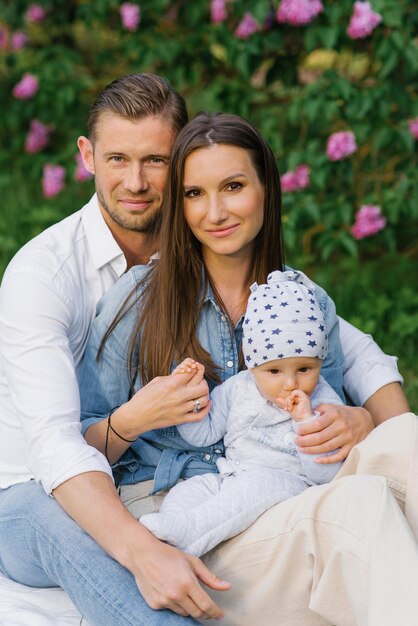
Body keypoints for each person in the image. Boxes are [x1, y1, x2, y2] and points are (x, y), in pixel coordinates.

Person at [79, 111, 418, 625]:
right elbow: (71, 454)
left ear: (266, 190)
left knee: (408, 439)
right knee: (360, 509)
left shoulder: (307, 300)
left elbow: (332, 412)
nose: (215, 211)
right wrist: (134, 418)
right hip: (191, 520)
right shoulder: (137, 304)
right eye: (194, 193)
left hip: (293, 487)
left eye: (233, 186)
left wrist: (359, 422)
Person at [0, 74, 232, 626]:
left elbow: (336, 337)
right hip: (26, 495)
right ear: (87, 156)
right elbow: (54, 445)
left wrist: (363, 418)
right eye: (118, 159)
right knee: (95, 548)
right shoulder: (42, 274)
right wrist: (143, 552)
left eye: (155, 160)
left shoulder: (206, 242)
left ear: (180, 159)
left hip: (157, 479)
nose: (136, 181)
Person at [140, 269, 344, 557]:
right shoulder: (239, 388)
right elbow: (203, 435)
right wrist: (191, 395)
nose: (290, 383)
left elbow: (327, 473)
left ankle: (190, 535)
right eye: (274, 371)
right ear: (253, 365)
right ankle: (175, 535)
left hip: (288, 486)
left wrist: (305, 422)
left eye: (304, 369)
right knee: (193, 490)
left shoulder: (323, 400)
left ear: (319, 363)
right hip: (232, 474)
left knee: (251, 489)